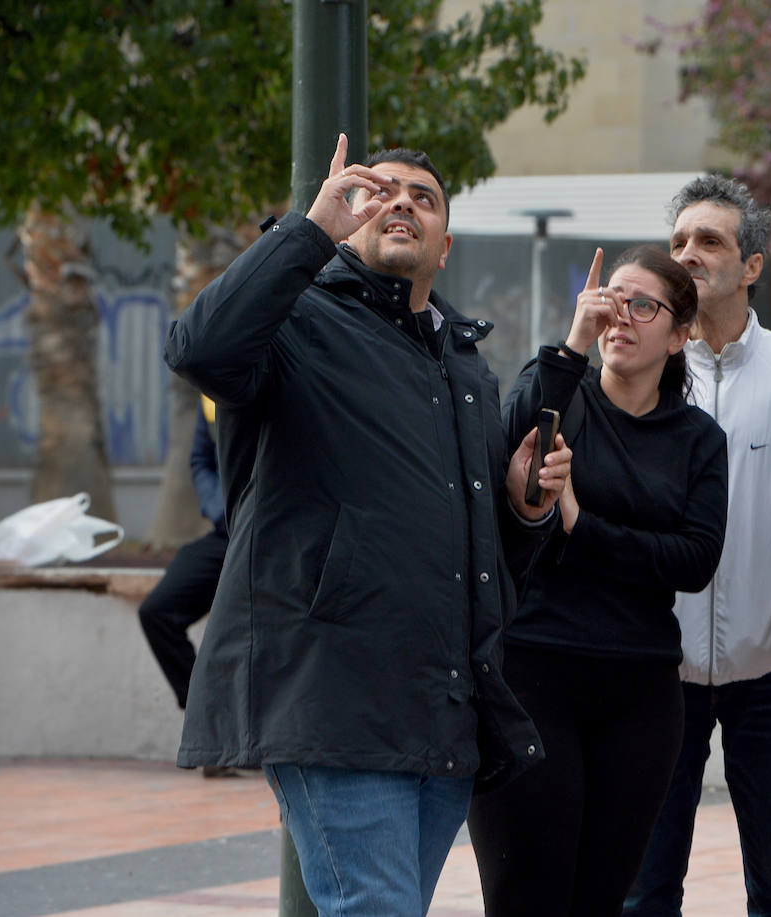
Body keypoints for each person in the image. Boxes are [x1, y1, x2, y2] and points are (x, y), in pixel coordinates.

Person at [163, 134, 570, 917]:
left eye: (423, 196)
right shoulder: (296, 320)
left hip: (440, 710)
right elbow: (200, 348)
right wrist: (307, 230)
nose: (402, 203)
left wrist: (524, 508)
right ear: (352, 217)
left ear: (444, 246)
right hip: (331, 700)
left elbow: (483, 562)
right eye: (381, 191)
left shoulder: (466, 368)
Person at [467, 245, 729, 917]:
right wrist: (572, 341)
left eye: (644, 306)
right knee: (526, 891)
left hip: (639, 686)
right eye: (613, 300)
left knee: (601, 895)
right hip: (533, 669)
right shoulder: (564, 394)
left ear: (679, 335)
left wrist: (583, 526)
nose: (622, 317)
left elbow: (694, 560)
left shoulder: (698, 438)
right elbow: (506, 445)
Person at [624, 176, 771, 917]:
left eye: (710, 241)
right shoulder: (636, 376)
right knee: (642, 890)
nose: (689, 255)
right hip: (656, 674)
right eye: (678, 242)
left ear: (752, 265)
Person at [137, 396, 227, 719]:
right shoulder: (209, 393)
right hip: (227, 531)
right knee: (158, 612)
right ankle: (211, 726)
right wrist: (219, 509)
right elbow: (201, 460)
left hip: (275, 536)